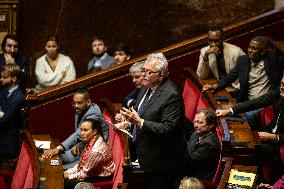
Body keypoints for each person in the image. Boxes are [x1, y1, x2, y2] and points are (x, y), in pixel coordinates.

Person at [117, 53, 185, 189]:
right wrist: (129, 123)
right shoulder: (146, 87)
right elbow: (139, 112)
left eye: (148, 72)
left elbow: (168, 128)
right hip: (145, 155)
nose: (144, 75)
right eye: (143, 70)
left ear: (161, 75)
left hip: (161, 163)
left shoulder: (172, 95)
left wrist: (139, 122)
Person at [203, 36, 283, 130]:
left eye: (254, 48)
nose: (250, 50)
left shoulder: (272, 60)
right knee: (222, 115)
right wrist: (214, 86)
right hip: (246, 100)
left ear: (262, 52)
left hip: (264, 103)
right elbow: (229, 78)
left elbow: (279, 49)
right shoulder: (243, 60)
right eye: (249, 47)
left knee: (241, 119)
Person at [216, 75, 284, 184]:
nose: (282, 87)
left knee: (247, 152)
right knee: (241, 143)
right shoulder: (279, 92)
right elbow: (257, 102)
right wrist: (229, 111)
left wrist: (275, 137)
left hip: (280, 145)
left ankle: (247, 182)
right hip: (269, 132)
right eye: (281, 83)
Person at [43, 88, 109, 169]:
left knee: (58, 168)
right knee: (49, 159)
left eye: (79, 103)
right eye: (74, 103)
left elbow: (78, 133)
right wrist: (76, 144)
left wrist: (58, 148)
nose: (76, 106)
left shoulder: (93, 113)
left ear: (88, 102)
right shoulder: (81, 109)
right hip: (81, 147)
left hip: (92, 155)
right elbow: (80, 133)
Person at [64, 119, 115, 189]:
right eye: (81, 130)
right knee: (62, 174)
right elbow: (81, 164)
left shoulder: (96, 150)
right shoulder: (92, 140)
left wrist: (68, 176)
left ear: (94, 132)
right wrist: (68, 172)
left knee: (63, 182)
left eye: (85, 130)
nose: (82, 133)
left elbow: (85, 173)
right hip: (91, 172)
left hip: (101, 178)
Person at [182, 109, 220, 180]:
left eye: (200, 122)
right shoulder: (196, 134)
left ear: (210, 125)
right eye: (195, 122)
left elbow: (188, 162)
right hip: (188, 169)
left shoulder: (209, 145)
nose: (195, 125)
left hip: (197, 179)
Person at [0, 64, 25, 166]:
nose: (1, 79)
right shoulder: (4, 91)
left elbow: (5, 119)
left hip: (8, 141)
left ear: (14, 79)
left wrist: (3, 114)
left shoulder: (18, 97)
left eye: (4, 77)